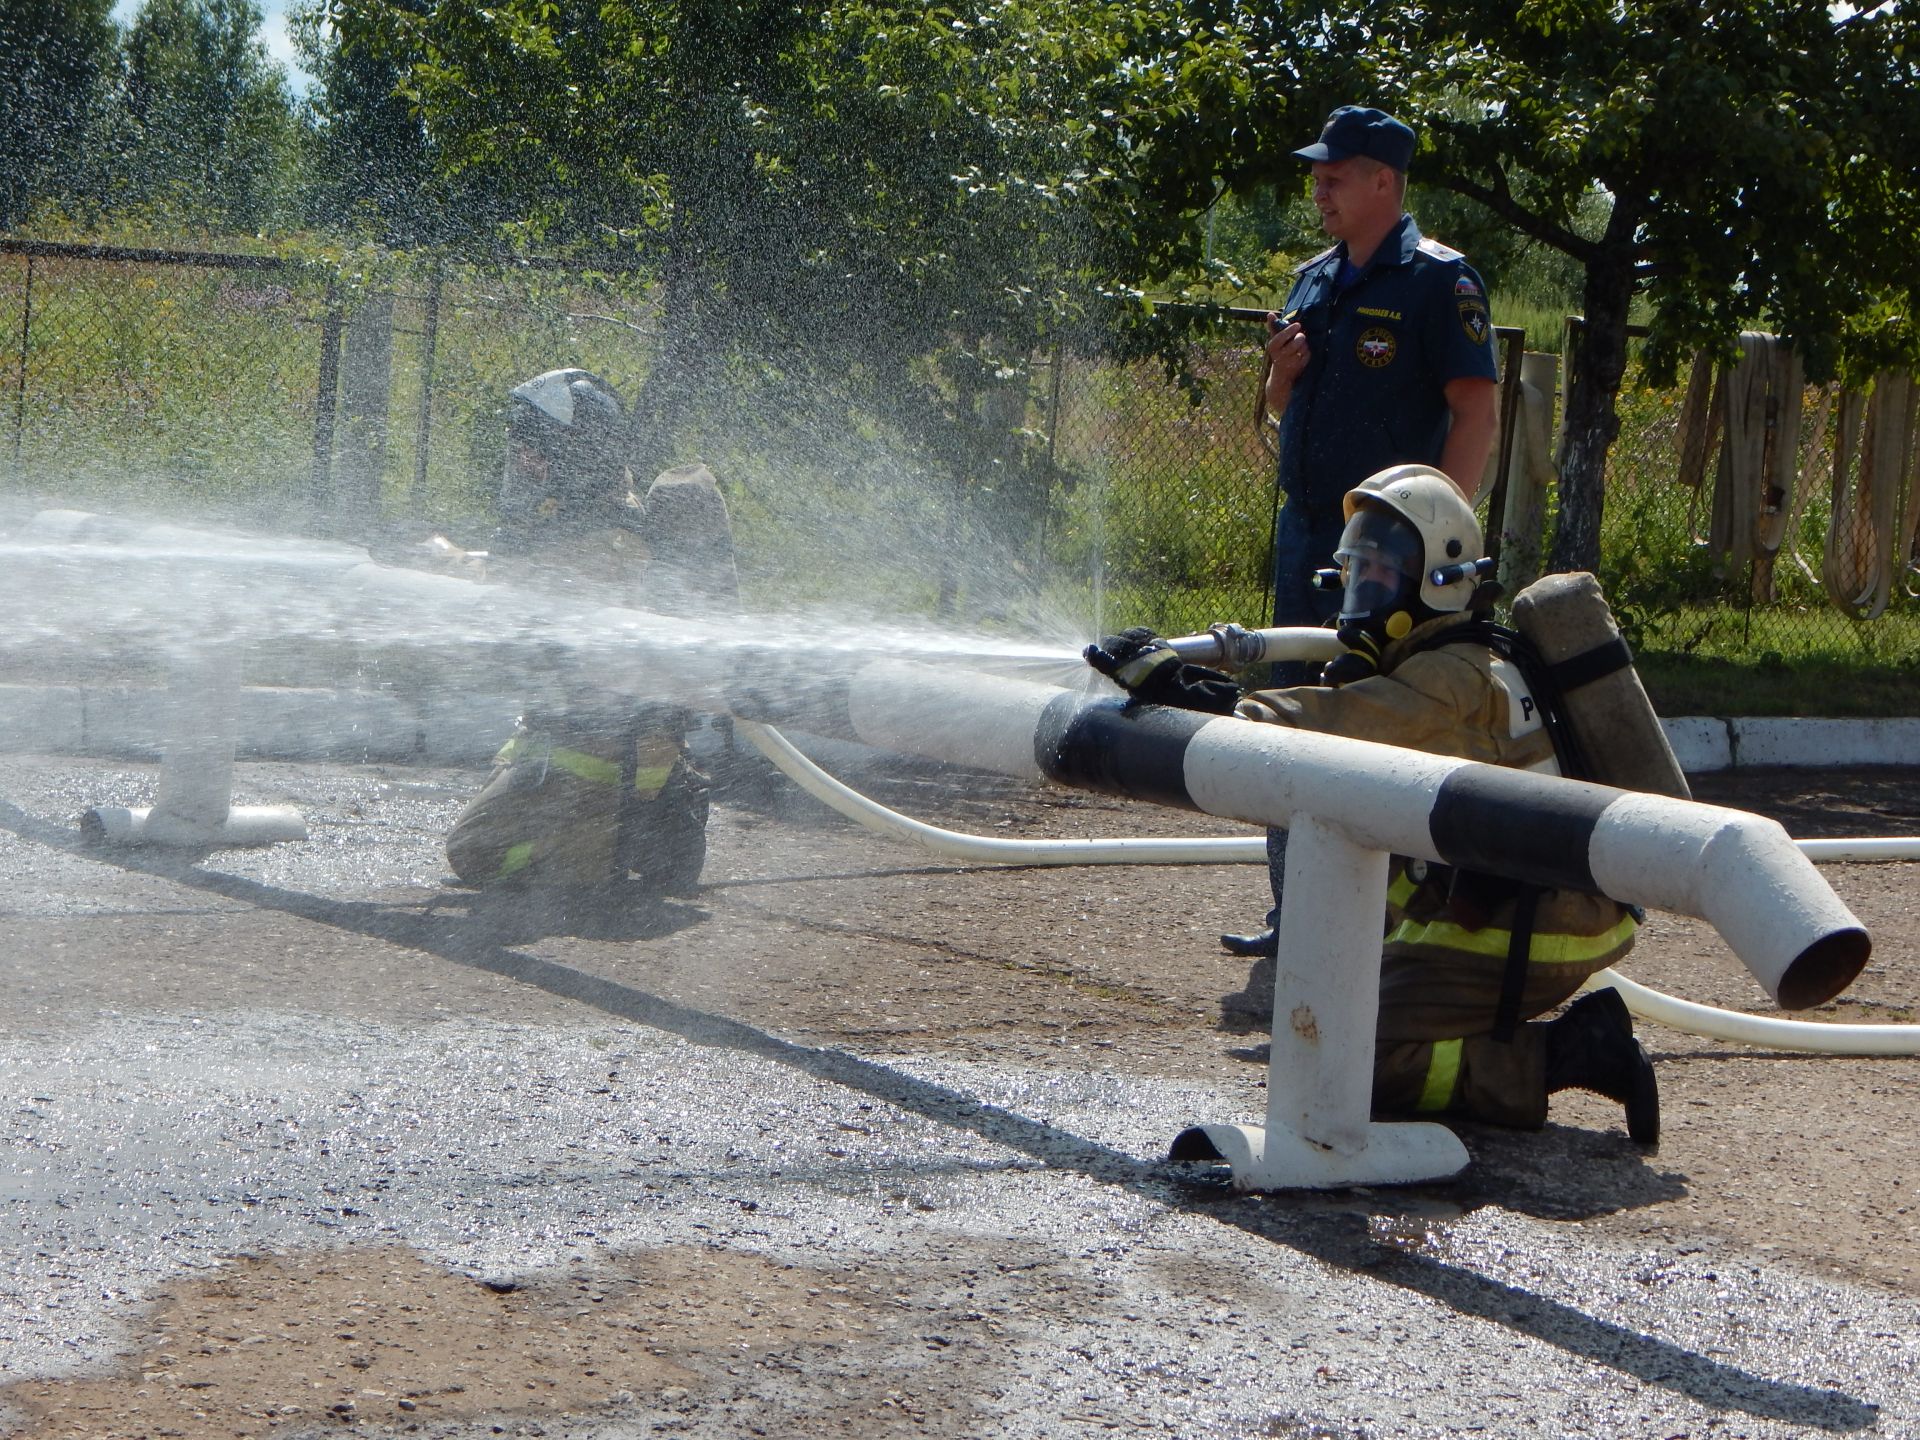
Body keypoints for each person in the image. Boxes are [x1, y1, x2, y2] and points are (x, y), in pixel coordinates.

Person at [1086, 466, 1658, 1145]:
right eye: (1355, 574)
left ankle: (1574, 1052)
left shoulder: (1450, 680)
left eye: (1381, 576)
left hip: (1539, 920)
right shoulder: (1453, 658)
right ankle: (1468, 1025)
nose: (1361, 595)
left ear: (1440, 583)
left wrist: (1185, 691)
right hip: (1521, 899)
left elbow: (1317, 730)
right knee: (1330, 1020)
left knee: (1351, 1060)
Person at [1226, 102, 1503, 963]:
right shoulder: (1314, 278)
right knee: (1291, 711)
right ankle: (1296, 912)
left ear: (1386, 181)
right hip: (1309, 534)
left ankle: (1395, 927)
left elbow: (1476, 410)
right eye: (1316, 174)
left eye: (1336, 175)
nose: (1320, 188)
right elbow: (1281, 409)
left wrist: (1435, 535)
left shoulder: (1437, 281)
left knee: (1382, 722)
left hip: (1392, 560)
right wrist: (1281, 377)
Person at [444, 368, 738, 906]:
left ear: (576, 457)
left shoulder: (607, 543)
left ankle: (628, 833)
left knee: (478, 855)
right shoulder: (599, 527)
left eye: (535, 453)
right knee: (482, 848)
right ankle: (647, 821)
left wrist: (447, 568)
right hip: (576, 747)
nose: (523, 465)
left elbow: (518, 594)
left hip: (599, 757)